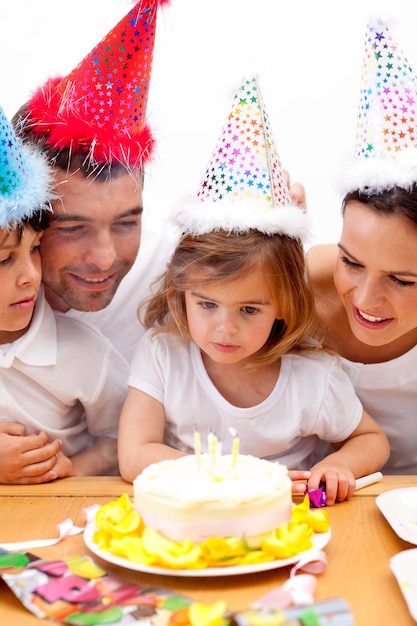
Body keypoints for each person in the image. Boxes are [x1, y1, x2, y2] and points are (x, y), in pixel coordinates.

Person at [117, 77, 389, 505]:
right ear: (180, 291)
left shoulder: (312, 379)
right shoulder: (164, 354)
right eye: (207, 304)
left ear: (282, 304)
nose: (224, 328)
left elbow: (372, 440)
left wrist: (340, 465)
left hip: (285, 525)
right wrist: (224, 481)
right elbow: (134, 455)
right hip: (187, 520)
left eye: (248, 309)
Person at [307, 18, 417, 474]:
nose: (367, 301)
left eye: (403, 279)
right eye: (351, 262)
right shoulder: (295, 285)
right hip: (309, 506)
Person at [0, 104, 129, 484]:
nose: (30, 276)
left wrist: (73, 470)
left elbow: (128, 438)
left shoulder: (84, 353)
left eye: (35, 249)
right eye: (5, 260)